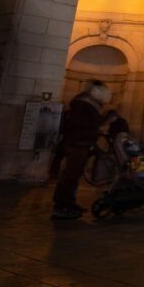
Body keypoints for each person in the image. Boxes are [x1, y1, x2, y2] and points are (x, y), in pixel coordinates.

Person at [51, 81, 111, 220]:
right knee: (70, 175)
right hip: (77, 143)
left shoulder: (86, 103)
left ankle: (69, 203)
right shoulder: (84, 104)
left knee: (74, 175)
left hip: (80, 143)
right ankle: (61, 206)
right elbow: (81, 126)